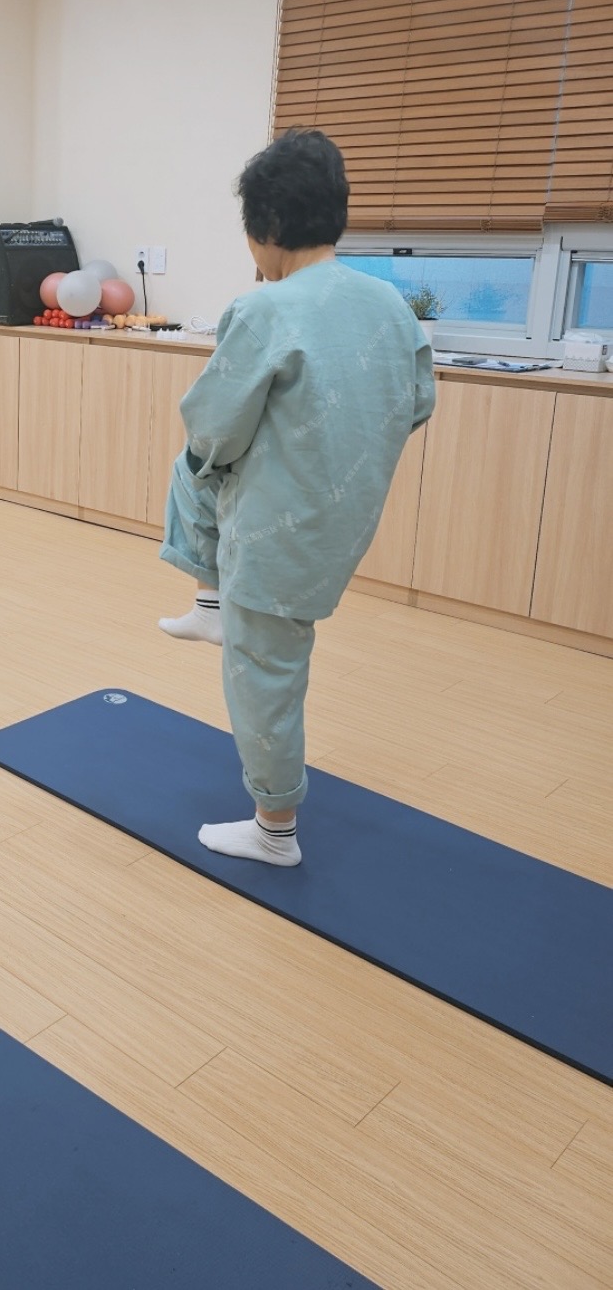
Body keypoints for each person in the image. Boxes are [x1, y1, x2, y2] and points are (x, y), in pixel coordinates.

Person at [159, 129, 435, 866]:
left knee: (265, 677)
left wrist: (227, 457)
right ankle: (210, 604)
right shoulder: (392, 307)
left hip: (275, 536)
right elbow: (417, 404)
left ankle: (273, 830)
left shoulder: (266, 309)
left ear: (268, 228)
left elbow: (213, 426)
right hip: (342, 519)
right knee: (193, 475)